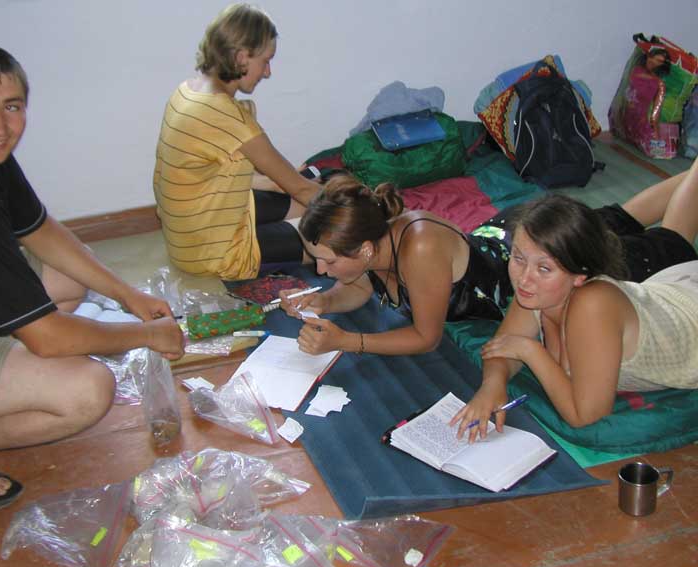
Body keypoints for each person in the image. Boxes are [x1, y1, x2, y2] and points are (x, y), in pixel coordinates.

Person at [0, 41, 185, 512]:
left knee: (69, 276)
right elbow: (48, 339)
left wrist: (127, 295)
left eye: (11, 107)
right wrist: (147, 334)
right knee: (87, 391)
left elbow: (40, 229)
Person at [280, 168, 698, 358]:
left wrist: (347, 341)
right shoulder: (373, 240)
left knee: (668, 243)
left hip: (531, 264)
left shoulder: (419, 250)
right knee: (615, 218)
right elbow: (358, 285)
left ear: (365, 250)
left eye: (327, 262)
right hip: (506, 238)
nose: (320, 272)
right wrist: (323, 302)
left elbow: (426, 337)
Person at [452, 158, 698, 441]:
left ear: (580, 276)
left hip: (690, 317)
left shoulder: (592, 305)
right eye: (518, 258)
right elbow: (502, 347)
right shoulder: (535, 291)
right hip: (668, 293)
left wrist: (531, 351)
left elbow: (585, 415)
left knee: (674, 237)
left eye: (544, 268)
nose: (524, 279)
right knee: (674, 234)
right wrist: (491, 387)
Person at [153, 3, 320, 281]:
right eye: (265, 61)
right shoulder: (228, 118)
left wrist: (275, 184)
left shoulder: (187, 91)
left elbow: (213, 174)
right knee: (330, 234)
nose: (268, 72)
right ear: (242, 57)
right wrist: (365, 212)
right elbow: (302, 188)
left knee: (307, 204)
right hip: (211, 254)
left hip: (190, 233)